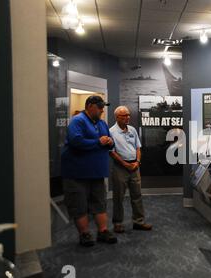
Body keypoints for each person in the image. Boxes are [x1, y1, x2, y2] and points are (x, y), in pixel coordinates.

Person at [61, 96, 118, 247]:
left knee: (99, 203)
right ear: (90, 106)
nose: (102, 110)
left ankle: (103, 231)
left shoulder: (102, 123)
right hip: (77, 174)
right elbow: (76, 141)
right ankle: (84, 234)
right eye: (99, 106)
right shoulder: (78, 120)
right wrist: (98, 142)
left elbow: (110, 143)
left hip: (97, 173)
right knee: (79, 206)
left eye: (103, 107)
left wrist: (110, 142)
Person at [109, 106, 153, 233]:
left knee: (137, 195)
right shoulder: (111, 132)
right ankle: (118, 223)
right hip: (120, 168)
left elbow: (138, 147)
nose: (127, 117)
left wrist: (137, 162)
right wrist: (125, 164)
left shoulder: (132, 130)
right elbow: (111, 152)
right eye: (124, 116)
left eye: (128, 115)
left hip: (134, 167)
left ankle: (138, 222)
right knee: (119, 197)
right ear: (117, 117)